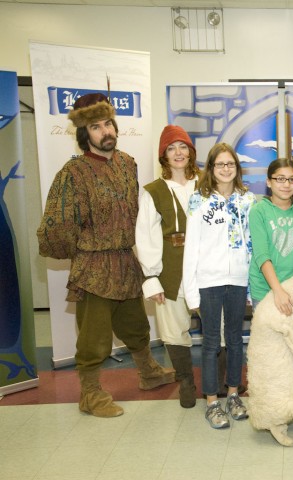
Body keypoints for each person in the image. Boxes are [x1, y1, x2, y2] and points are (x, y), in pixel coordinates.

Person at [37, 93, 174, 418]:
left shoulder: (127, 163)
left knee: (136, 324)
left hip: (126, 260)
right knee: (94, 336)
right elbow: (57, 224)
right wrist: (83, 251)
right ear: (85, 134)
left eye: (108, 123)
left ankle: (149, 372)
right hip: (94, 267)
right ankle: (90, 393)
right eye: (96, 127)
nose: (105, 131)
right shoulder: (73, 172)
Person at [183, 143, 255, 429]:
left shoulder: (248, 200)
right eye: (220, 164)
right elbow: (191, 248)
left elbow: (252, 244)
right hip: (208, 281)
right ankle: (212, 401)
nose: (226, 169)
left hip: (238, 279)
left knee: (236, 340)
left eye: (230, 164)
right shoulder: (199, 201)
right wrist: (191, 294)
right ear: (211, 168)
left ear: (237, 167)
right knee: (211, 343)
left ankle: (234, 395)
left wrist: (251, 287)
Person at [135, 125, 200, 409]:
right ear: (164, 155)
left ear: (191, 151)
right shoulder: (153, 191)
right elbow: (145, 236)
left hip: (206, 268)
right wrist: (151, 277)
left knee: (219, 326)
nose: (178, 153)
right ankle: (186, 383)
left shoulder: (207, 185)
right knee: (174, 329)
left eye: (183, 146)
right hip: (170, 269)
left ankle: (222, 381)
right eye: (171, 148)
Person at [249, 158, 293, 311]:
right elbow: (262, 255)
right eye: (280, 179)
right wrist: (278, 291)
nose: (286, 184)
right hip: (264, 290)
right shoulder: (258, 211)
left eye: (292, 179)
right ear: (268, 182)